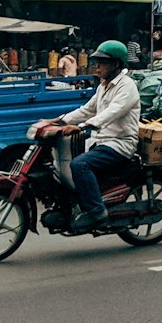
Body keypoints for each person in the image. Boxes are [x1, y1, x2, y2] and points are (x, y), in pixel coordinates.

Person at [35, 40, 139, 232]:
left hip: (119, 143)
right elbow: (87, 109)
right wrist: (59, 120)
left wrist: (82, 127)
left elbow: (112, 112)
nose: (97, 66)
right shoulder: (104, 85)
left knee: (80, 165)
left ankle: (97, 213)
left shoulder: (127, 86)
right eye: (97, 62)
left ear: (116, 64)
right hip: (100, 140)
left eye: (102, 62)